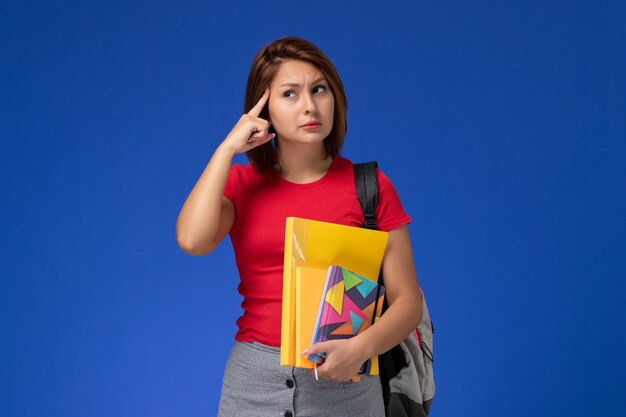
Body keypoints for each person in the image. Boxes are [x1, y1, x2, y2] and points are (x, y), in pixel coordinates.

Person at [176, 36, 423, 417]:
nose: (309, 106)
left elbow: (408, 301)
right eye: (290, 94)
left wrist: (360, 349)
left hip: (346, 381)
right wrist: (225, 149)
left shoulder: (370, 188)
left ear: (335, 98)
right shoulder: (242, 184)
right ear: (264, 107)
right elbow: (192, 240)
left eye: (319, 89)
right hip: (253, 384)